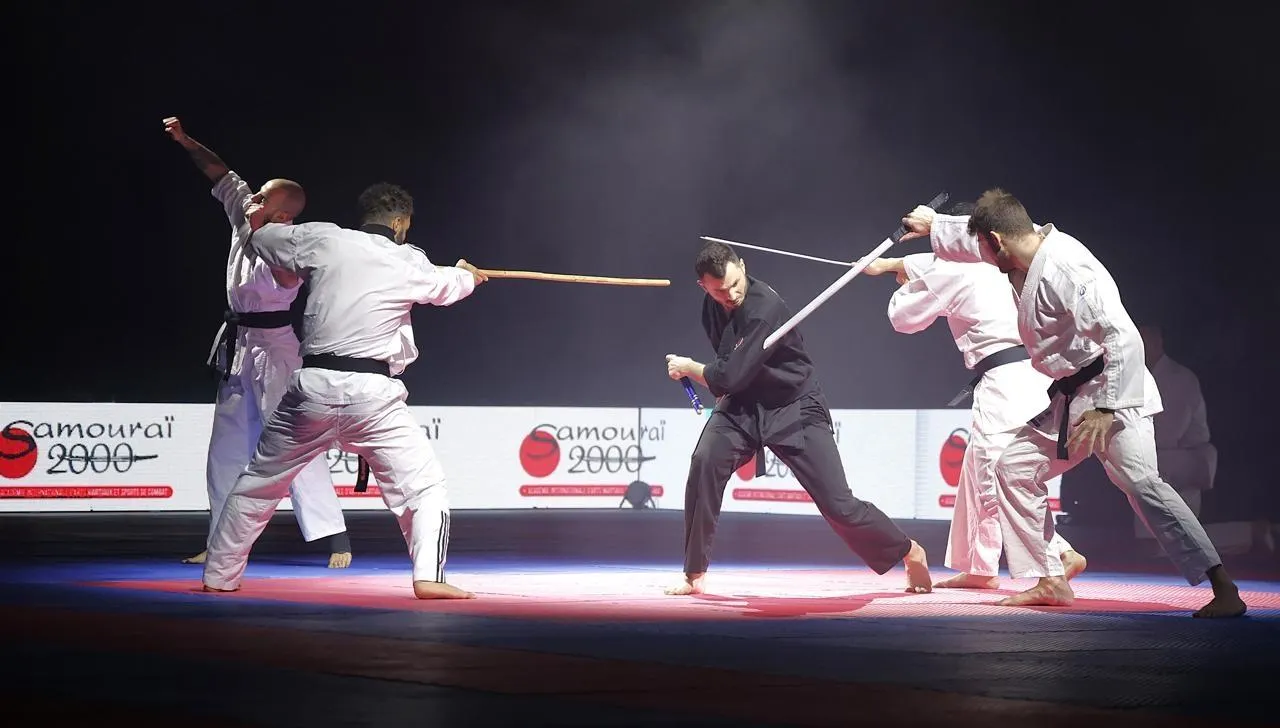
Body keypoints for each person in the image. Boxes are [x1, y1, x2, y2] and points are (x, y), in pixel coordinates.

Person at [901, 188, 1246, 618]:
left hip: (1113, 392)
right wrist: (934, 226)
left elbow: (1123, 337)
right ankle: (1051, 578)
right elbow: (978, 239)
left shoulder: (1067, 269)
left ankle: (1223, 587)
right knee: (1013, 468)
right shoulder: (1022, 244)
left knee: (1142, 485)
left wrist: (1106, 408)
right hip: (1072, 395)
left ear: (999, 242)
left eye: (986, 248)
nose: (983, 258)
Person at [201, 183, 486, 599]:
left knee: (257, 484)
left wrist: (257, 218)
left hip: (312, 389)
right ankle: (429, 576)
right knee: (424, 488)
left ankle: (219, 576)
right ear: (400, 223)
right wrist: (467, 275)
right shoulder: (408, 260)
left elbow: (263, 240)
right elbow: (448, 287)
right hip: (372, 396)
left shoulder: (324, 239)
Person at [662, 240, 932, 596]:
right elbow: (731, 371)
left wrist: (689, 367)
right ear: (704, 287)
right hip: (743, 405)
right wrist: (708, 373)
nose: (730, 295)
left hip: (794, 405)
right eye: (719, 291)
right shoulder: (711, 308)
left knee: (839, 505)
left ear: (742, 266)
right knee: (705, 461)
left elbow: (727, 376)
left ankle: (909, 551)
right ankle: (694, 572)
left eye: (734, 285)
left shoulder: (764, 308)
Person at [163, 117, 352, 569]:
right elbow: (218, 171)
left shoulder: (292, 240)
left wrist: (255, 231)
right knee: (225, 451)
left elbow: (288, 280)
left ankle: (335, 537)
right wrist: (186, 141)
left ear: (283, 215)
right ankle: (221, 540)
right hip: (239, 345)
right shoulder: (243, 213)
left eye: (264, 198)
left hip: (275, 349)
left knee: (293, 441)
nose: (255, 199)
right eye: (258, 194)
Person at [862, 252, 1087, 589]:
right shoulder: (1003, 261)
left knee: (995, 477)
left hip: (1005, 384)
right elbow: (927, 263)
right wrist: (896, 265)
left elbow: (904, 317)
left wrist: (907, 283)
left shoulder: (955, 268)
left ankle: (1059, 552)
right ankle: (980, 567)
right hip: (1037, 376)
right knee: (976, 470)